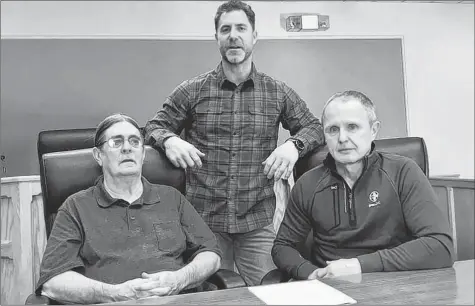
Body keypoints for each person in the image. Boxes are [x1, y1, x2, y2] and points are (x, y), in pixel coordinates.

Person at [144, 0, 324, 286]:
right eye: (225, 29)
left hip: (257, 222)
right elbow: (154, 127)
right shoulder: (192, 91)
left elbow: (314, 127)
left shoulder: (276, 91)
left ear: (254, 36)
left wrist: (293, 145)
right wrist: (168, 140)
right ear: (216, 37)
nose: (233, 35)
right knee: (208, 296)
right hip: (203, 224)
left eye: (241, 28)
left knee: (273, 293)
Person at [36, 114, 222, 304]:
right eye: (116, 142)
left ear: (142, 155)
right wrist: (115, 293)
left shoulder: (172, 197)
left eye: (134, 142)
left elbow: (211, 254)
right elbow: (53, 282)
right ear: (98, 155)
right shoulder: (75, 206)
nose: (127, 148)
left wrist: (179, 280)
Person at [272, 90, 455, 280]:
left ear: (373, 130)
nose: (342, 138)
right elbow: (282, 247)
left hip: (395, 284)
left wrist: (359, 265)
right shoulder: (308, 184)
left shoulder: (403, 172)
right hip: (331, 286)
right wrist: (310, 273)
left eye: (352, 127)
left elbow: (440, 245)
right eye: (333, 129)